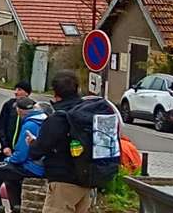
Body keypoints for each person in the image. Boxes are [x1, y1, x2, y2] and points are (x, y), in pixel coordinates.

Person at [29, 72, 125, 213]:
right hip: (87, 182)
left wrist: (32, 143)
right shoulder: (88, 114)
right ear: (77, 89)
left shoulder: (59, 118)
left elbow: (37, 151)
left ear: (55, 93)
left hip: (63, 183)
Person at [0, 98, 46, 213]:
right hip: (41, 166)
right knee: (8, 173)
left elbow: (21, 155)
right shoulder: (43, 120)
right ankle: (16, 206)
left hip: (32, 167)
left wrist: (8, 160)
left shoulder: (30, 125)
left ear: (19, 111)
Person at [0, 82, 32, 160]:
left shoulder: (32, 106)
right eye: (15, 89)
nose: (16, 92)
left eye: (19, 90)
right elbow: (1, 127)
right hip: (7, 151)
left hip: (23, 153)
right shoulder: (9, 105)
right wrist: (5, 146)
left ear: (27, 93)